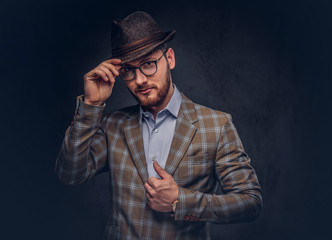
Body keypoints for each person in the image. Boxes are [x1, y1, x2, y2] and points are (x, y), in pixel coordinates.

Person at [56, 11, 262, 240]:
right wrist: (91, 105)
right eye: (129, 70)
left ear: (170, 59)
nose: (140, 79)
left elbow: (249, 202)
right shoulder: (112, 125)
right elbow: (70, 173)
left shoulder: (217, 125)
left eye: (148, 64)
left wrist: (180, 201)